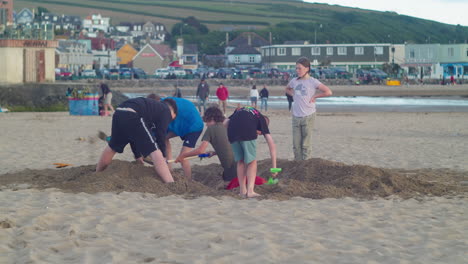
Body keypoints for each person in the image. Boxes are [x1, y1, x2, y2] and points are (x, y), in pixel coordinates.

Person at [95, 97, 178, 183]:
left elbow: (135, 136)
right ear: (173, 113)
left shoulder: (151, 109)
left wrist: (137, 155)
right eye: (172, 119)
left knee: (112, 147)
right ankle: (170, 182)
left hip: (119, 112)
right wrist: (164, 156)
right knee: (155, 150)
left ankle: (97, 173)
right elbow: (161, 134)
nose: (169, 121)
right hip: (132, 113)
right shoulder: (166, 110)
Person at [285, 57, 332, 161]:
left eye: (299, 68)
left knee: (306, 144)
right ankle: (297, 166)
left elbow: (328, 92)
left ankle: (305, 167)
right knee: (296, 145)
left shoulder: (313, 81)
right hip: (296, 116)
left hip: (308, 115)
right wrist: (293, 95)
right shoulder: (294, 81)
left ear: (307, 68)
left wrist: (315, 97)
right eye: (296, 68)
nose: (297, 70)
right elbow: (287, 89)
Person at [225, 106, 277, 198]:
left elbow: (225, 122)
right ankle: (250, 191)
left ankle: (242, 191)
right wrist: (274, 168)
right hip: (246, 129)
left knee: (241, 160)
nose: (259, 133)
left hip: (232, 130)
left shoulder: (243, 109)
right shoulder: (261, 120)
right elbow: (272, 145)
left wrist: (232, 133)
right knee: (252, 162)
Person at [175, 106, 237, 182]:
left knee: (226, 179)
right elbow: (228, 146)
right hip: (240, 165)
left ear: (212, 118)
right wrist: (214, 153)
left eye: (207, 121)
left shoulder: (211, 129)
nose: (206, 125)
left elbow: (200, 151)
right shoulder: (225, 126)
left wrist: (183, 155)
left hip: (231, 171)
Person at [163, 96, 204, 179]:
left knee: (183, 157)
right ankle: (169, 169)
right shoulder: (162, 104)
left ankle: (188, 181)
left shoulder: (165, 107)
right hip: (180, 125)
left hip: (194, 127)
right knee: (163, 138)